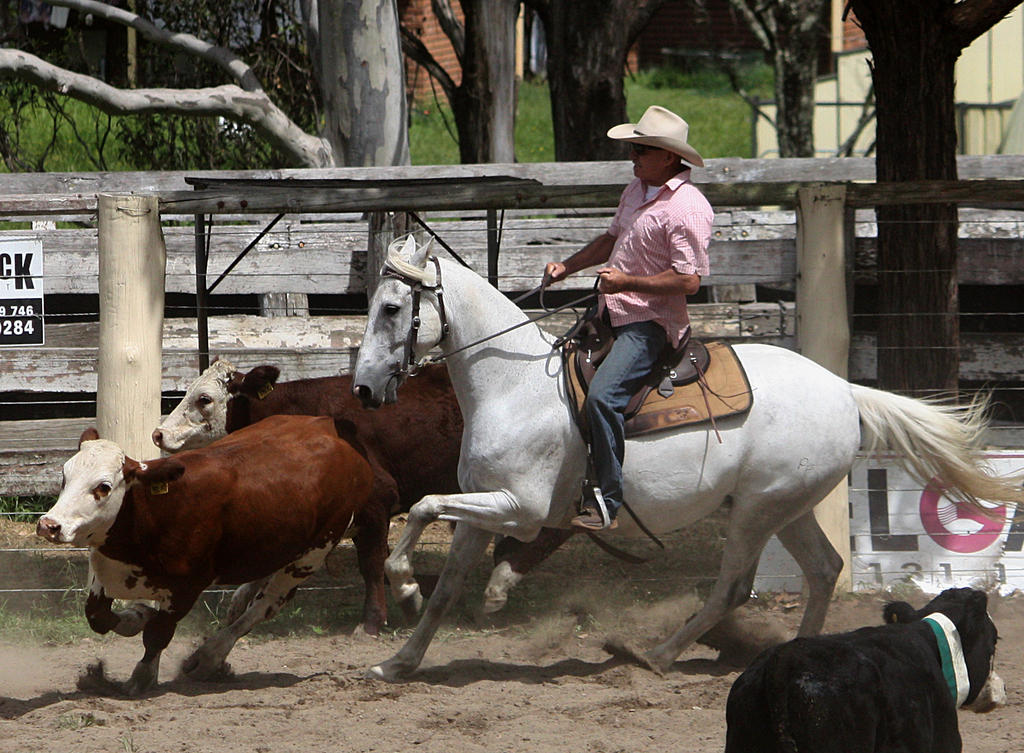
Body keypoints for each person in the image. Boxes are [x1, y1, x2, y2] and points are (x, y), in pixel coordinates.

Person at [544, 105, 713, 531]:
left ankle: (607, 500)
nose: (632, 156)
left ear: (669, 157)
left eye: (641, 149)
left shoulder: (688, 208)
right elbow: (611, 239)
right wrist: (568, 266)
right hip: (611, 313)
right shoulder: (637, 190)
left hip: (649, 326)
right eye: (633, 148)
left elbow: (689, 281)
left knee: (602, 397)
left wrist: (627, 284)